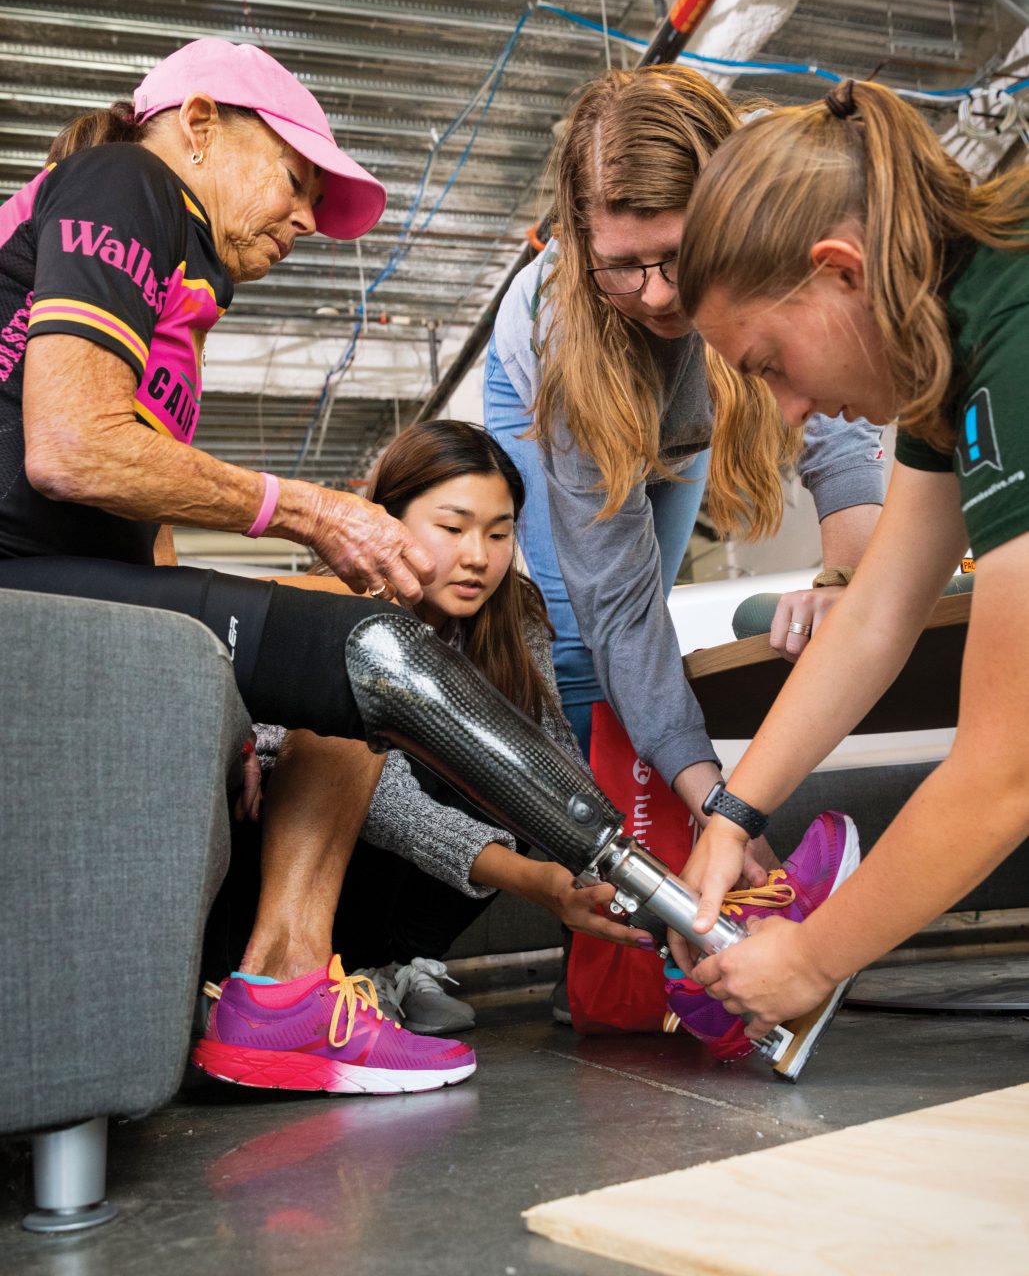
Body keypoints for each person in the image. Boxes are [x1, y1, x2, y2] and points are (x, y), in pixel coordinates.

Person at [0, 37, 477, 1095]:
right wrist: (304, 509)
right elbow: (70, 447)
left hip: (55, 579)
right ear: (200, 122)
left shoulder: (171, 276)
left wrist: (218, 691)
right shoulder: (128, 180)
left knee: (328, 645)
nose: (307, 216)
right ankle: (283, 997)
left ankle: (280, 992)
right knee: (365, 642)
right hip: (16, 581)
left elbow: (138, 514)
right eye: (296, 178)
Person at [670, 77, 1029, 1040]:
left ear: (840, 271)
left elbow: (1009, 769)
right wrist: (733, 816)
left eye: (768, 365)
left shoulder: (1018, 330)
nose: (785, 413)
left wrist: (816, 956)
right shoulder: (950, 355)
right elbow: (874, 613)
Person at [484, 65, 886, 838]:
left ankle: (689, 825)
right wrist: (719, 805)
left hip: (683, 401)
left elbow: (839, 429)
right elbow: (619, 605)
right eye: (622, 263)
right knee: (579, 636)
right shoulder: (568, 334)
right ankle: (608, 856)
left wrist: (846, 583)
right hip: (570, 384)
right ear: (581, 246)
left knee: (650, 615)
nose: (658, 294)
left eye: (673, 254)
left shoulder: (779, 209)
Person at [248, 421, 652, 1036]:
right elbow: (377, 800)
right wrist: (530, 879)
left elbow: (554, 764)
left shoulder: (515, 622)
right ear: (388, 521)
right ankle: (306, 974)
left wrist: (633, 883)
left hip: (414, 889)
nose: (478, 557)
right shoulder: (330, 610)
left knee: (523, 780)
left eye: (499, 533)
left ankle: (392, 969)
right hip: (301, 866)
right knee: (433, 760)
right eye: (452, 527)